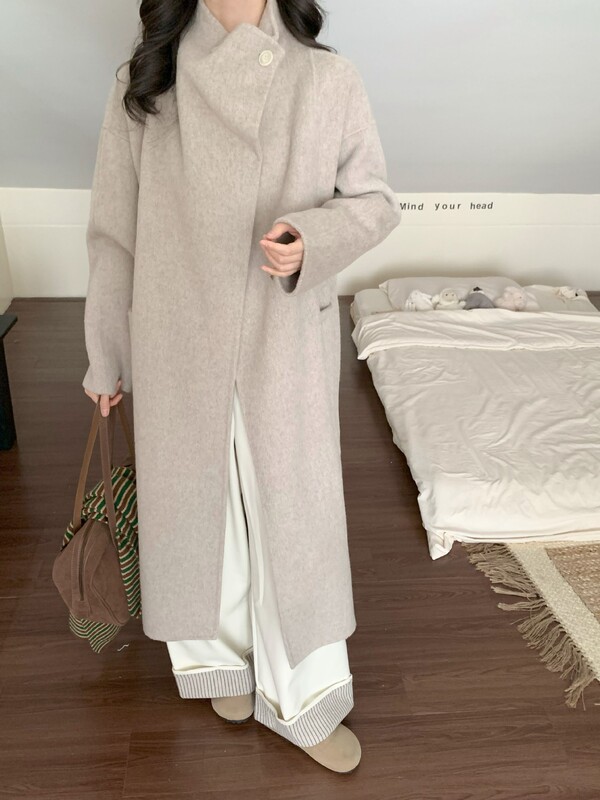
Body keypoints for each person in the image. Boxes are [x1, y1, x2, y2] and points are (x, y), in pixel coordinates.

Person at [82, 0, 401, 774]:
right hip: (176, 330)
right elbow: (114, 231)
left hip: (280, 331)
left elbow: (374, 203)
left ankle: (304, 697)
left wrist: (310, 241)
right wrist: (106, 353)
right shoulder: (147, 81)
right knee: (196, 499)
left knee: (291, 509)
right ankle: (215, 660)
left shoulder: (325, 79)